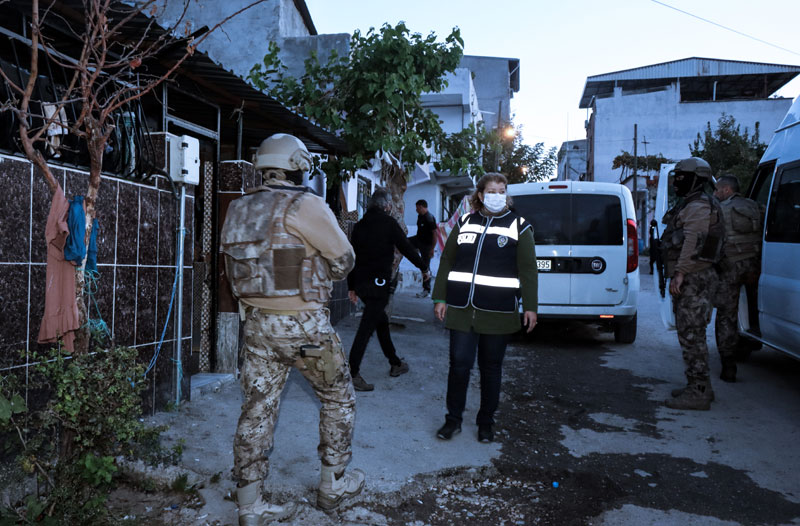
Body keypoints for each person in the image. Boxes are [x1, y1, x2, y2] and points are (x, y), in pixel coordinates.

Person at [220, 134, 364, 524]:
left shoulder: (238, 207)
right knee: (338, 398)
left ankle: (250, 505)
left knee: (257, 408)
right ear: (298, 165)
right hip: (306, 329)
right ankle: (333, 486)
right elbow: (344, 260)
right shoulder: (306, 205)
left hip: (257, 325)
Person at [432, 173, 538, 442]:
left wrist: (531, 306)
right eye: (491, 191)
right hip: (461, 309)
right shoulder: (465, 221)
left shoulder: (519, 226)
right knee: (459, 366)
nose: (497, 196)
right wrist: (440, 297)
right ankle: (453, 420)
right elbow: (447, 261)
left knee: (491, 368)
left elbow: (528, 269)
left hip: (498, 311)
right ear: (480, 194)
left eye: (501, 191)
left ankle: (486, 423)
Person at [347, 188, 430, 391]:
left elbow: (351, 256)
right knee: (366, 329)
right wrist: (423, 267)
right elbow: (407, 248)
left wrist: (351, 286)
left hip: (362, 283)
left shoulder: (359, 226)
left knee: (381, 322)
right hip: (378, 285)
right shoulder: (389, 223)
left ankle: (395, 363)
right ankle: (352, 373)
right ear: (387, 206)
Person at [661, 157, 725, 411]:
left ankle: (698, 391)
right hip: (694, 277)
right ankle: (700, 387)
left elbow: (693, 241)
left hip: (694, 279)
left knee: (692, 336)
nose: (677, 182)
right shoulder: (694, 202)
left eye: (681, 177)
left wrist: (680, 273)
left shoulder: (699, 205)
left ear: (697, 179)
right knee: (691, 334)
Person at [712, 174, 762, 382]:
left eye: (717, 190)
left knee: (726, 314)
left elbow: (713, 242)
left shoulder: (721, 210)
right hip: (754, 266)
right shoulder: (755, 206)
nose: (715, 193)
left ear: (726, 190)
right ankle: (752, 339)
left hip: (730, 267)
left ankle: (728, 364)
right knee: (754, 308)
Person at [408, 199, 438, 297]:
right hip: (418, 240)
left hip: (427, 245)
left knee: (425, 267)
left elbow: (435, 234)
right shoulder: (420, 216)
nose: (416, 210)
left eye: (417, 208)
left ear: (421, 207)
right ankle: (414, 251)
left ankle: (426, 290)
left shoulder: (429, 218)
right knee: (404, 242)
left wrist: (432, 249)